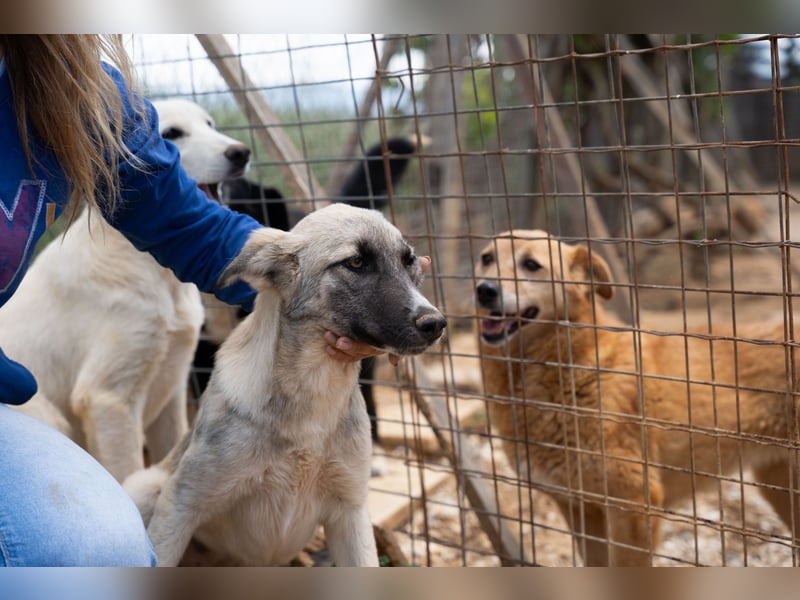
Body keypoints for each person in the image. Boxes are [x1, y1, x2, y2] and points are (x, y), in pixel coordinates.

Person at [0, 34, 421, 566]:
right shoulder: (92, 283)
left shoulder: (73, 88)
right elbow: (107, 406)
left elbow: (189, 223)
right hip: (40, 412)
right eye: (177, 134)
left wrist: (318, 278)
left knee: (105, 547)